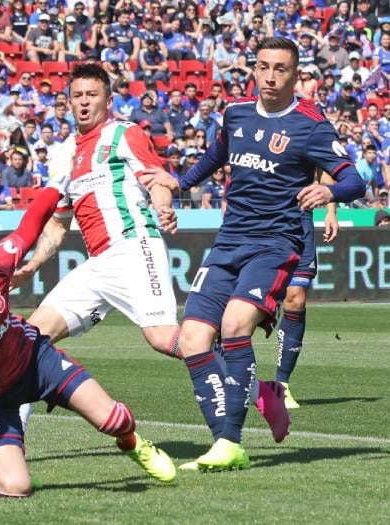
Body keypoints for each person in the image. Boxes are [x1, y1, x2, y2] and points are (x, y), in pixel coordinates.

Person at [151, 38, 364, 471]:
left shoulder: (312, 124)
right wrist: (182, 183)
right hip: (228, 241)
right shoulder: (235, 113)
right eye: (263, 67)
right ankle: (241, 420)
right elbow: (217, 154)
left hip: (276, 244)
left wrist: (330, 190)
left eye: (280, 69)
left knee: (234, 325)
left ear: (295, 73)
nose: (269, 76)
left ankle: (231, 442)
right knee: (192, 339)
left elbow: (354, 181)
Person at [0, 179, 177, 505]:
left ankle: (132, 443)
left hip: (35, 361)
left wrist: (56, 183)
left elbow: (30, 225)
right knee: (15, 487)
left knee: (117, 420)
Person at [11, 63, 180, 393]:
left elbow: (156, 179)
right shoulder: (67, 154)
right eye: (77, 96)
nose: (84, 102)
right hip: (98, 264)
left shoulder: (124, 133)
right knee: (29, 339)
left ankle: (251, 382)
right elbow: (59, 225)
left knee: (162, 338)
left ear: (109, 100)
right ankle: (11, 440)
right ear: (69, 103)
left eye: (92, 94)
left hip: (133, 247)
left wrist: (163, 204)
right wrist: (32, 265)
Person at [276, 173, 339, 409]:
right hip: (263, 222)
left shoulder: (310, 135)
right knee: (252, 306)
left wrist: (331, 213)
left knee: (296, 299)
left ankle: (281, 385)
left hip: (301, 223)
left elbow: (328, 175)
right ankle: (236, 377)